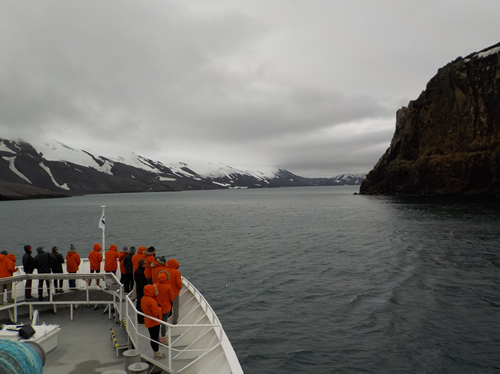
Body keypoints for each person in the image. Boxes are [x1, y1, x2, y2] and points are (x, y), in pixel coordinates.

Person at [141, 284, 166, 360]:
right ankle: (157, 353)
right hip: (154, 321)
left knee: (153, 337)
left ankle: (157, 352)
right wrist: (160, 308)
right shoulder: (152, 301)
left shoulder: (143, 299)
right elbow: (156, 312)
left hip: (148, 321)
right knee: (154, 338)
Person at [155, 271, 175, 344]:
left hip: (156, 307)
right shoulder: (168, 287)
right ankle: (163, 338)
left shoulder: (155, 285)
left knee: (156, 322)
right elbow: (172, 298)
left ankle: (156, 336)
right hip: (166, 307)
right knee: (164, 322)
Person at [166, 259, 182, 324]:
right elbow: (179, 283)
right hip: (174, 292)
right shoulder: (177, 272)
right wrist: (179, 288)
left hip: (166, 292)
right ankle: (174, 321)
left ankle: (165, 319)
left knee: (167, 306)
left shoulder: (164, 271)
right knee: (175, 307)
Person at [134, 259, 148, 324]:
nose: (146, 265)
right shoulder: (140, 272)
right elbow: (142, 283)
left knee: (139, 303)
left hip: (139, 289)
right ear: (142, 265)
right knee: (140, 304)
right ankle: (140, 319)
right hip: (141, 290)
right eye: (145, 264)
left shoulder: (137, 271)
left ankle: (140, 318)